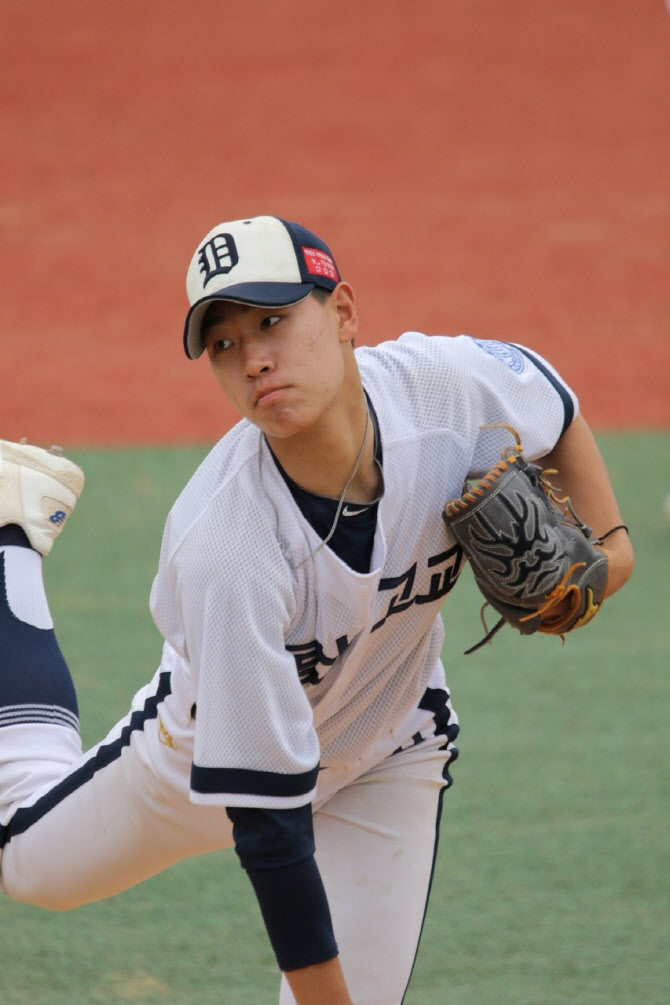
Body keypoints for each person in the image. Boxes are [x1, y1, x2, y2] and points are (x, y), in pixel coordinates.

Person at [0, 215, 633, 1005]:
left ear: (342, 315)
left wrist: (612, 556)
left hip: (389, 743)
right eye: (224, 343)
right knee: (25, 861)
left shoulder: (443, 388)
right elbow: (268, 830)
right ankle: (10, 535)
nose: (253, 357)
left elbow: (550, 396)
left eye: (273, 320)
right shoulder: (227, 546)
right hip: (200, 760)